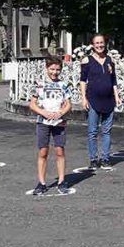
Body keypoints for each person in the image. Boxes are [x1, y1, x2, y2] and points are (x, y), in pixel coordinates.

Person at [29, 55, 73, 196]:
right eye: (52, 69)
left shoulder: (64, 85)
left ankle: (61, 181)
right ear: (47, 68)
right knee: (43, 151)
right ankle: (41, 182)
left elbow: (69, 104)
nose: (55, 72)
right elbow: (32, 104)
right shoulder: (39, 84)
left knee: (60, 151)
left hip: (59, 122)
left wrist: (61, 113)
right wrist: (43, 112)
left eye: (58, 69)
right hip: (43, 122)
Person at [79, 33, 122, 171]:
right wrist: (84, 98)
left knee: (107, 132)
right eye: (97, 43)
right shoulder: (87, 60)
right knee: (92, 132)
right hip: (93, 100)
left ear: (105, 44)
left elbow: (113, 80)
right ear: (92, 45)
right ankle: (93, 159)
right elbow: (83, 80)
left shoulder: (110, 60)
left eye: (101, 43)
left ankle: (105, 158)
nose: (99, 45)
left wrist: (117, 97)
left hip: (109, 100)